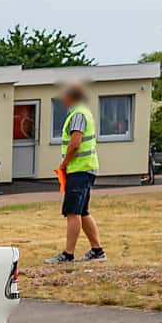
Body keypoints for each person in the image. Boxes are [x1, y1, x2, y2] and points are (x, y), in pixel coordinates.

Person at [47, 80, 105, 263]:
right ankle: (97, 251)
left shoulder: (78, 115)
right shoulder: (84, 112)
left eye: (64, 95)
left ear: (71, 97)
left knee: (72, 212)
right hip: (87, 168)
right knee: (83, 211)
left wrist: (64, 164)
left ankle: (68, 254)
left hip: (79, 169)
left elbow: (75, 144)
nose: (62, 99)